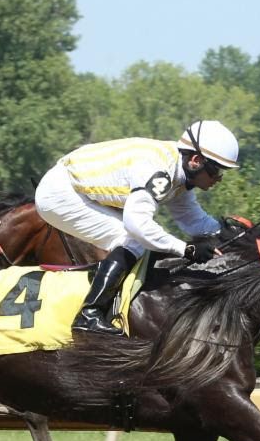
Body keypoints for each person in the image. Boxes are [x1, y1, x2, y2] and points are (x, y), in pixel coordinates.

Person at [34, 120, 240, 335]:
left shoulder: (179, 175)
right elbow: (137, 224)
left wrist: (232, 234)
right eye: (216, 171)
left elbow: (193, 220)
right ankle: (89, 314)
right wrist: (186, 249)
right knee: (134, 239)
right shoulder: (160, 171)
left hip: (79, 189)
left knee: (142, 239)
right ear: (196, 161)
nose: (219, 179)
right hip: (60, 193)